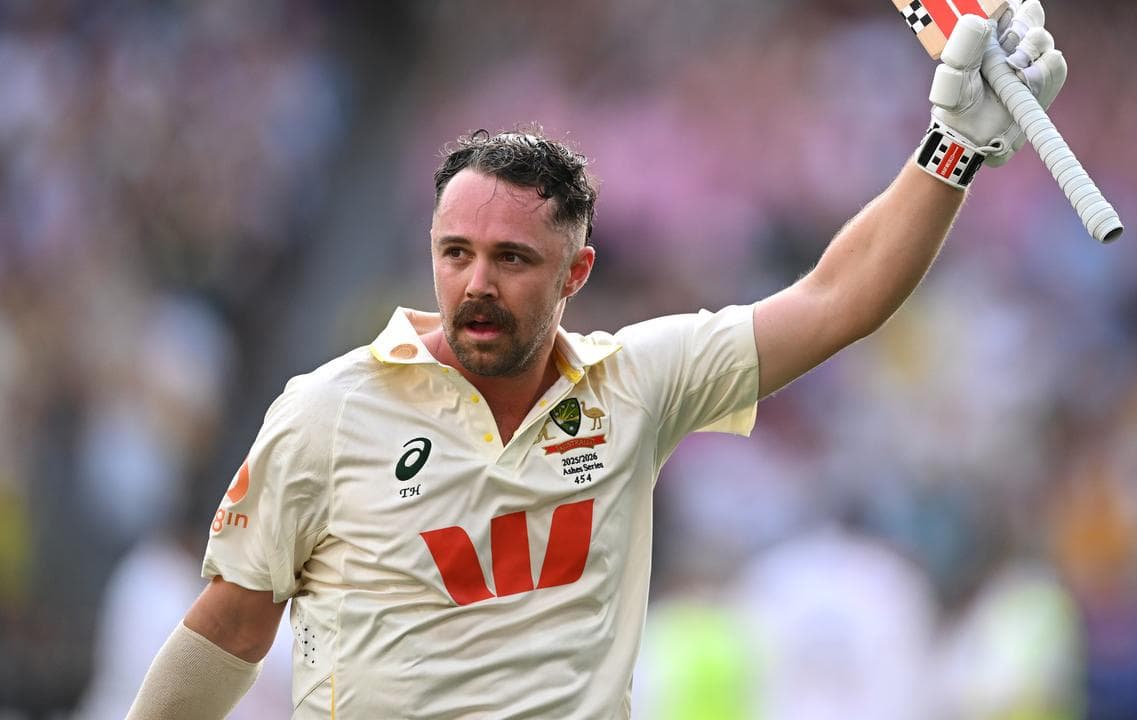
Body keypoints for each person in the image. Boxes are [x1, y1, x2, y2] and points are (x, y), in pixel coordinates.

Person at [126, 4, 1067, 718]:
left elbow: (836, 299)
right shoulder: (326, 411)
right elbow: (230, 628)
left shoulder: (635, 386)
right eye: (456, 253)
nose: (477, 285)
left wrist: (953, 148)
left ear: (575, 273)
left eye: (513, 260)